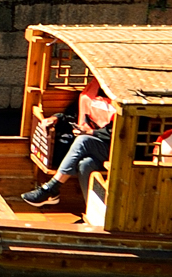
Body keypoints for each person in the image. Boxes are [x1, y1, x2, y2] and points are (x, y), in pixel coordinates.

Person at [22, 76, 114, 205]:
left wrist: (91, 132)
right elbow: (72, 115)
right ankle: (93, 210)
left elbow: (122, 132)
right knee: (86, 164)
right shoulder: (92, 92)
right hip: (93, 150)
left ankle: (52, 188)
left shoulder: (123, 99)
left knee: (83, 141)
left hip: (117, 149)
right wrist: (55, 118)